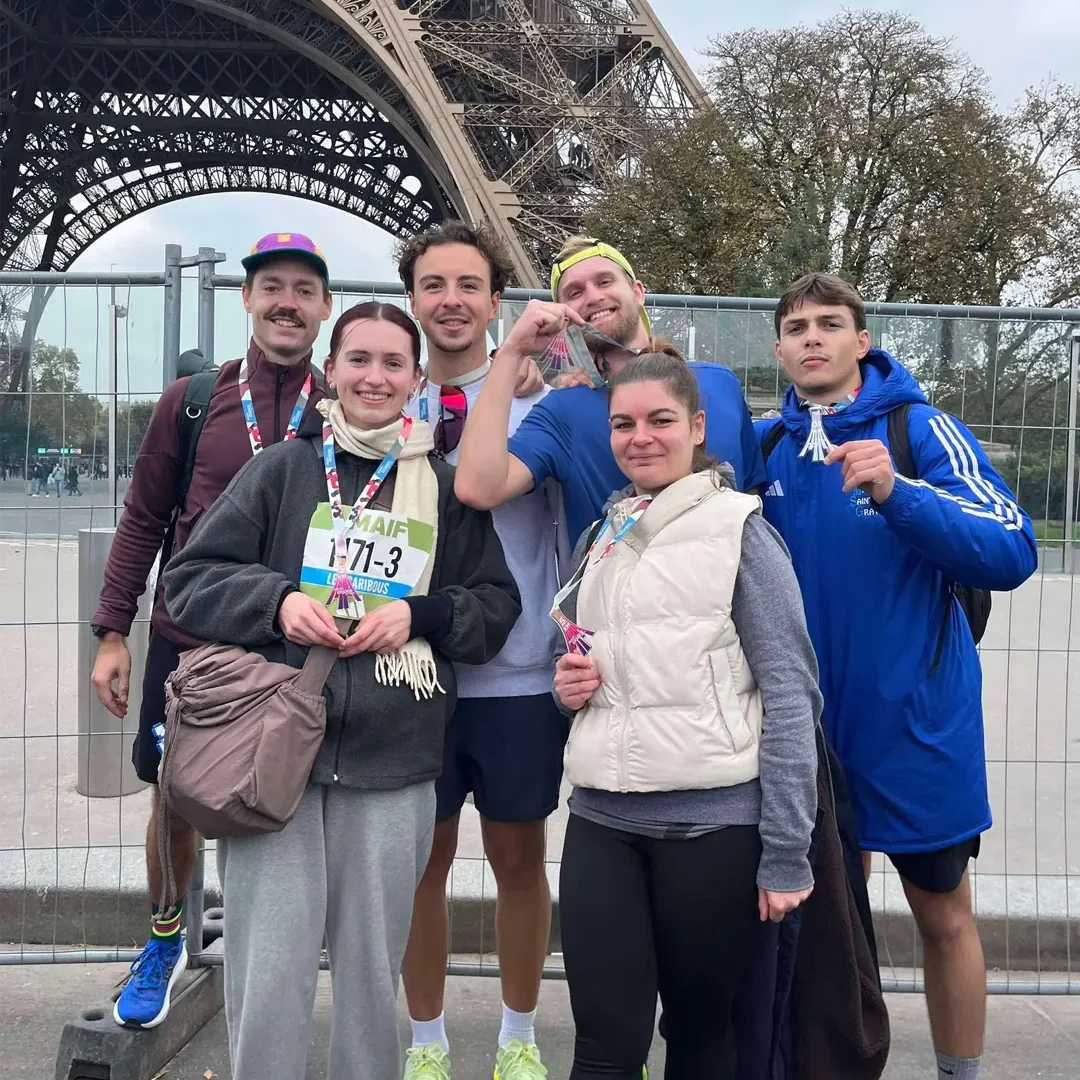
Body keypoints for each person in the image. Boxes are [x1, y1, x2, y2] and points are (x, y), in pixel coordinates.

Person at [163, 300, 522, 1080]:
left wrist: (418, 615)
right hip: (272, 763)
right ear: (331, 371)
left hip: (393, 765)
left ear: (416, 380)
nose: (375, 376)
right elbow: (188, 581)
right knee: (269, 975)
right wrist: (277, 602)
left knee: (370, 980)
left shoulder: (449, 490)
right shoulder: (281, 472)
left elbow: (497, 608)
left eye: (394, 363)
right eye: (359, 359)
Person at [757, 272, 1038, 1080]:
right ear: (778, 349)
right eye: (798, 326)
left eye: (829, 324)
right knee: (830, 924)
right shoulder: (766, 446)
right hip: (805, 733)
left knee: (944, 917)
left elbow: (1011, 549)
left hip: (913, 727)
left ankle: (960, 1074)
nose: (812, 337)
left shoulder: (921, 430)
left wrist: (896, 490)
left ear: (862, 341)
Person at [90, 232, 335, 1028]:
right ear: (248, 301)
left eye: (304, 289)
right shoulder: (192, 401)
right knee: (174, 797)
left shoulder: (345, 404)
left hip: (291, 643)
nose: (288, 302)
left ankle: (274, 952)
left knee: (285, 800)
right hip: (191, 634)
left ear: (324, 308)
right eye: (273, 287)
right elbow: (143, 519)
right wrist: (111, 630)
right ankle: (165, 940)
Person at [552, 348, 819, 1079]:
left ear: (697, 427)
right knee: (602, 1047)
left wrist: (787, 850)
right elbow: (587, 668)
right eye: (623, 423)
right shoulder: (598, 537)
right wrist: (567, 686)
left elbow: (792, 694)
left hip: (713, 831)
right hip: (603, 822)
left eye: (660, 420)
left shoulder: (745, 533)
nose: (641, 436)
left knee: (701, 1043)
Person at [396, 221, 564, 1080]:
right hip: (408, 672)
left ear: (497, 302)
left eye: (469, 285)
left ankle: (517, 1036)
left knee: (518, 860)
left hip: (518, 671)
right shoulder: (383, 401)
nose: (451, 300)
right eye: (434, 285)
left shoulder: (545, 403)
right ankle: (425, 1044)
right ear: (413, 299)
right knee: (419, 864)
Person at [454, 236, 766, 542]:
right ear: (563, 316)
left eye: (604, 281)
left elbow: (755, 506)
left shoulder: (722, 384)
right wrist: (511, 352)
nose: (592, 297)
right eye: (575, 292)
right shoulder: (562, 411)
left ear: (638, 292)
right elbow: (477, 488)